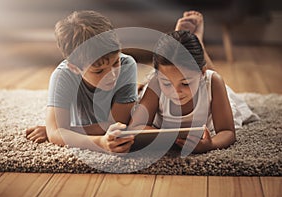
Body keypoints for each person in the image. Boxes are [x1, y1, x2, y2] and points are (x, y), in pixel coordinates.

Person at [128, 11, 258, 154]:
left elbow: (227, 131)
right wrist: (167, 137)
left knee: (224, 87)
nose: (176, 92)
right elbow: (136, 127)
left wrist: (211, 144)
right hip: (179, 74)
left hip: (206, 89)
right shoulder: (156, 81)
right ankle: (183, 43)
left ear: (202, 73)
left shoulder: (212, 81)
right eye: (167, 84)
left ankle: (195, 43)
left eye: (185, 84)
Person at [26, 10, 137, 153]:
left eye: (115, 63)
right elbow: (56, 133)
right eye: (99, 71)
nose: (112, 75)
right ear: (74, 68)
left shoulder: (127, 65)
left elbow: (117, 123)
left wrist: (60, 131)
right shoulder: (62, 75)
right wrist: (100, 143)